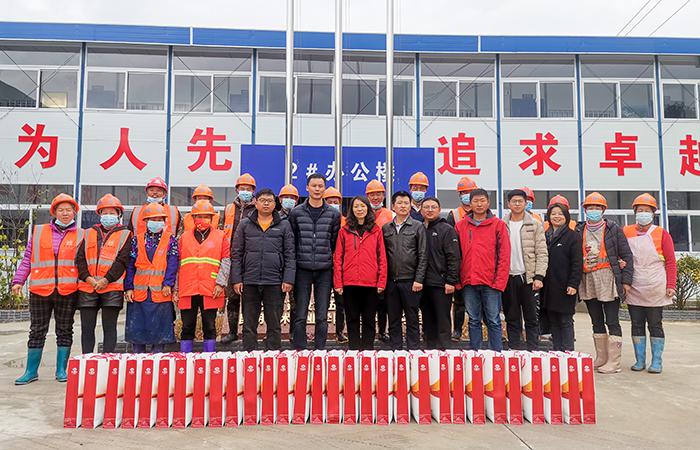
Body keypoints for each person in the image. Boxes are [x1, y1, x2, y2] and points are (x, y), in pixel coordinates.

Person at [13, 194, 83, 385]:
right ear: (54, 212)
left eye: (68, 210)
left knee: (65, 330)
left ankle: (61, 370)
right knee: (37, 330)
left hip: (68, 290)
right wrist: (18, 281)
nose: (65, 213)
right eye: (61, 210)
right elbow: (28, 258)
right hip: (40, 289)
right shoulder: (39, 232)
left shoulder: (81, 235)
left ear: (74, 212)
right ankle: (30, 371)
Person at [231, 189, 296, 351]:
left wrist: (288, 279)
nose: (266, 203)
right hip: (249, 281)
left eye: (269, 200)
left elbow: (290, 254)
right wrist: (237, 279)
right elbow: (237, 253)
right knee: (249, 323)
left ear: (275, 204)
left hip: (275, 281)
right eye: (262, 200)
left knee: (274, 324)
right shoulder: (245, 224)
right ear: (256, 202)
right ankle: (249, 356)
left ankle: (273, 356)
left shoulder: (284, 225)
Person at [577, 192, 633, 374]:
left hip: (608, 279)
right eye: (590, 207)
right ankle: (601, 357)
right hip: (588, 279)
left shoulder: (613, 229)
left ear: (603, 210)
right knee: (596, 320)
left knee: (612, 320)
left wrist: (626, 281)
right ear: (585, 210)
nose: (593, 210)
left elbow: (626, 255)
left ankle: (614, 362)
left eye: (597, 207)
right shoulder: (579, 230)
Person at [624, 193, 676, 374]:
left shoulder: (662, 233)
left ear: (653, 213)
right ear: (635, 212)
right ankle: (639, 360)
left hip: (655, 285)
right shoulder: (626, 231)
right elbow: (622, 255)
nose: (643, 213)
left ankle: (656, 361)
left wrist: (671, 285)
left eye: (647, 210)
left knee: (655, 324)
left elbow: (670, 262)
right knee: (636, 323)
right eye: (640, 210)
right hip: (634, 284)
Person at [288, 174, 341, 350]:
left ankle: (320, 349)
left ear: (324, 188)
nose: (317, 189)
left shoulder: (333, 214)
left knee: (322, 315)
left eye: (320, 186)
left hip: (324, 270)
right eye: (314, 186)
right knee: (300, 313)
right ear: (307, 188)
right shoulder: (296, 213)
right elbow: (292, 242)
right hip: (302, 269)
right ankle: (300, 348)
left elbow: (334, 242)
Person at [455, 189, 510, 351]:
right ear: (470, 204)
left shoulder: (498, 225)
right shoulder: (460, 226)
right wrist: (458, 280)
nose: (479, 204)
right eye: (476, 201)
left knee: (493, 320)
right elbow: (455, 256)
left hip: (491, 282)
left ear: (488, 203)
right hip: (469, 281)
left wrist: (499, 282)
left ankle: (496, 355)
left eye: (482, 200)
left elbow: (504, 255)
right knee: (473, 320)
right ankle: (476, 355)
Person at [75, 194, 131, 354]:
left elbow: (122, 261)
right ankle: (87, 360)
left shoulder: (126, 234)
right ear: (99, 214)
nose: (108, 216)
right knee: (87, 328)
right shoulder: (87, 233)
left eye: (112, 213)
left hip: (112, 287)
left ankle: (108, 360)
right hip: (88, 286)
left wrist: (106, 280)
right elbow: (80, 258)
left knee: (109, 327)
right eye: (105, 213)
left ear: (119, 214)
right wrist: (88, 279)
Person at [334, 196, 387, 350]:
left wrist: (381, 281)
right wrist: (338, 282)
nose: (359, 209)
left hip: (371, 283)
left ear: (368, 209)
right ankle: (354, 350)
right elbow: (338, 258)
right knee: (352, 319)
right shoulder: (344, 231)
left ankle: (368, 352)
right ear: (351, 210)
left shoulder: (376, 230)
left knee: (369, 319)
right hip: (349, 282)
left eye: (362, 206)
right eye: (356, 206)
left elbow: (382, 257)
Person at [124, 203, 179, 353]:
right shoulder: (136, 240)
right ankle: (138, 360)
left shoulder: (171, 240)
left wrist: (168, 283)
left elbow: (173, 264)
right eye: (153, 219)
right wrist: (128, 287)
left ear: (164, 221)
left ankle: (157, 361)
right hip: (139, 293)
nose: (156, 222)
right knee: (138, 331)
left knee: (160, 332)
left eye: (159, 219)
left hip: (161, 292)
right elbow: (130, 266)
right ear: (146, 221)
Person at [177, 200, 230, 353]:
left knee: (209, 326)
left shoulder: (221, 236)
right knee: (187, 326)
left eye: (206, 216)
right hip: (188, 288)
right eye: (199, 216)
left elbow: (226, 260)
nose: (202, 219)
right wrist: (175, 289)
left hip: (211, 288)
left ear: (212, 218)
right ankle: (185, 359)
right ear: (193, 218)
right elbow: (177, 264)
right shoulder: (184, 237)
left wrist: (220, 283)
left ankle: (209, 359)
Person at [502, 189, 548, 351]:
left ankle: (532, 351)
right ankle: (514, 350)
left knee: (531, 318)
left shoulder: (534, 224)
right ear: (508, 204)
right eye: (513, 201)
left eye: (520, 201)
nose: (517, 204)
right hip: (508, 278)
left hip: (528, 278)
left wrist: (539, 276)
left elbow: (542, 252)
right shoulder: (501, 225)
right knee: (512, 317)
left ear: (525, 203)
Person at [382, 191, 427, 350]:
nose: (403, 206)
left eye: (406, 203)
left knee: (412, 318)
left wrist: (419, 279)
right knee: (393, 318)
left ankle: (413, 350)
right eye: (399, 203)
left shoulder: (418, 226)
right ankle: (396, 350)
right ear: (393, 206)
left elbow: (423, 254)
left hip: (411, 281)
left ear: (410, 206)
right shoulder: (386, 228)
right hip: (391, 281)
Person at [220, 173, 257, 344]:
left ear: (253, 191)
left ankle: (249, 333)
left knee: (250, 299)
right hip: (231, 257)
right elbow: (221, 231)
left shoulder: (258, 208)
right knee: (232, 297)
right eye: (242, 188)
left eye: (248, 189)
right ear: (237, 190)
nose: (245, 191)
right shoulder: (228, 209)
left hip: (250, 258)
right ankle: (232, 332)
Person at [420, 197, 461, 350]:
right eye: (426, 207)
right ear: (421, 210)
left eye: (433, 207)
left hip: (441, 284)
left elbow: (454, 257)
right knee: (427, 320)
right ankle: (429, 352)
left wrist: (451, 280)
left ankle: (444, 352)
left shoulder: (447, 229)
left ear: (439, 209)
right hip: (423, 283)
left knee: (442, 320)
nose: (430, 210)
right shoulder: (419, 228)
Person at [542, 200, 583, 351]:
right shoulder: (545, 236)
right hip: (548, 286)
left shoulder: (573, 236)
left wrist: (573, 284)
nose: (557, 216)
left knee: (565, 320)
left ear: (566, 216)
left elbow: (577, 263)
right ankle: (557, 351)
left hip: (565, 286)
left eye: (560, 214)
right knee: (553, 320)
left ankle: (568, 351)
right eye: (553, 214)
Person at [446, 176, 478, 342]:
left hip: (478, 263)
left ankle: (480, 332)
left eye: (469, 192)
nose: (466, 195)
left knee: (480, 301)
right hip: (460, 262)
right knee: (459, 301)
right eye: (463, 192)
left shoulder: (483, 213)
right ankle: (457, 330)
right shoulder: (454, 214)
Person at [366, 179, 393, 343]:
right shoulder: (362, 213)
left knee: (384, 301)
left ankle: (383, 331)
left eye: (378, 194)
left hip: (386, 262)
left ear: (383, 195)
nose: (375, 198)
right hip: (367, 263)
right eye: (372, 195)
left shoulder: (390, 215)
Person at [323, 186, 347, 343]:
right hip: (325, 266)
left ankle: (340, 332)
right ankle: (322, 332)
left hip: (342, 268)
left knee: (341, 303)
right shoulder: (321, 220)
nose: (333, 204)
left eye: (336, 202)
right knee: (323, 302)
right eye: (330, 201)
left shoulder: (346, 221)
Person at [278, 183, 299, 341]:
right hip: (278, 264)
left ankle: (294, 333)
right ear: (280, 199)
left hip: (296, 264)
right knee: (276, 302)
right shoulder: (274, 217)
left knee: (295, 302)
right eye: (286, 197)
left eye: (292, 198)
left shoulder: (300, 216)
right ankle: (274, 332)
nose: (289, 200)